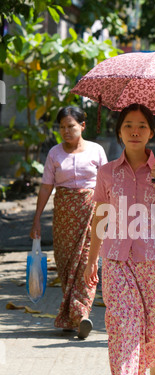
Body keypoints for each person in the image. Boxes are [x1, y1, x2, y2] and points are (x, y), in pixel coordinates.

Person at [84, 103, 155, 375]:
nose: (135, 131)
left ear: (152, 131)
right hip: (116, 260)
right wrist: (91, 261)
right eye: (128, 125)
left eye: (142, 125)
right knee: (124, 327)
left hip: (154, 261)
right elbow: (100, 216)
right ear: (119, 131)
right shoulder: (107, 172)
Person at [30, 106, 108, 339]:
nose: (66, 131)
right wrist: (36, 219)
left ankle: (81, 313)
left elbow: (107, 183)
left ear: (82, 126)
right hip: (63, 215)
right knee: (65, 264)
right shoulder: (54, 153)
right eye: (62, 127)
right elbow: (46, 186)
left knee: (87, 262)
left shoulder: (96, 150)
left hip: (91, 213)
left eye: (70, 126)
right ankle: (73, 317)